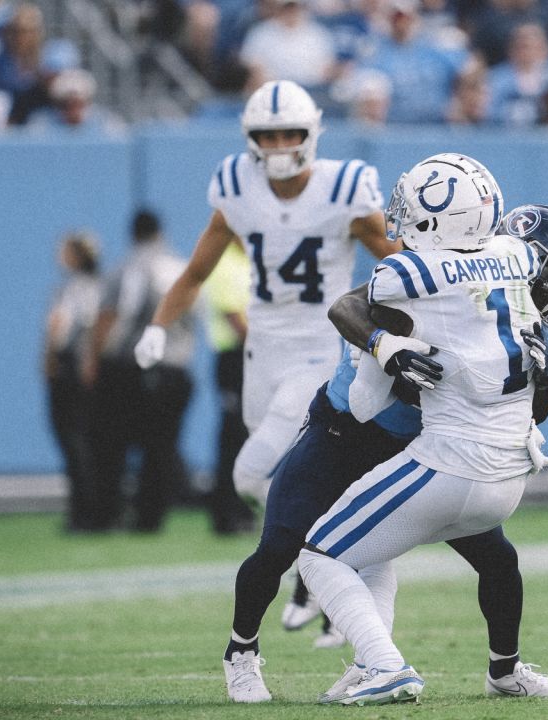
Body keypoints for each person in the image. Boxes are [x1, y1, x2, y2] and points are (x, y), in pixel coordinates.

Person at [219, 201, 548, 704]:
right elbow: (346, 307)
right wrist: (382, 345)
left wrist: (544, 377)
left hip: (424, 449)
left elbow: (535, 410)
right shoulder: (434, 280)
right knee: (281, 546)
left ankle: (504, 671)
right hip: (344, 434)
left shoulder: (516, 317)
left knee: (497, 558)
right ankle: (241, 653)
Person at [135, 79, 394, 641]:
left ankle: (326, 561)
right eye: (267, 135)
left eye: (289, 133)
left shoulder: (345, 187)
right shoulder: (234, 184)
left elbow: (398, 265)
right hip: (262, 350)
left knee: (250, 470)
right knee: (285, 479)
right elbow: (198, 270)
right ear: (250, 138)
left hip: (322, 347)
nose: (278, 145)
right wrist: (159, 324)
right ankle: (332, 553)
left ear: (312, 134)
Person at [87, 209, 194, 533]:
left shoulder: (130, 268)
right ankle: (152, 517)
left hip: (132, 366)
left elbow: (112, 315)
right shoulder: (182, 267)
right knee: (162, 446)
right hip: (176, 365)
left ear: (133, 234)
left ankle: (108, 513)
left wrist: (94, 358)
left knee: (111, 444)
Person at [43, 230, 101, 533]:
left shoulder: (76, 289)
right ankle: (84, 511)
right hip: (77, 369)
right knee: (78, 441)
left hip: (71, 370)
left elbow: (61, 328)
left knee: (74, 440)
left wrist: (50, 357)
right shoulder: (89, 287)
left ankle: (84, 513)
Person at [200, 243, 255, 536]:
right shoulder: (225, 264)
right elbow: (233, 316)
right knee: (233, 435)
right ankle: (225, 514)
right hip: (235, 358)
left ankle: (244, 510)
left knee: (248, 434)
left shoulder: (251, 260)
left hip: (250, 357)